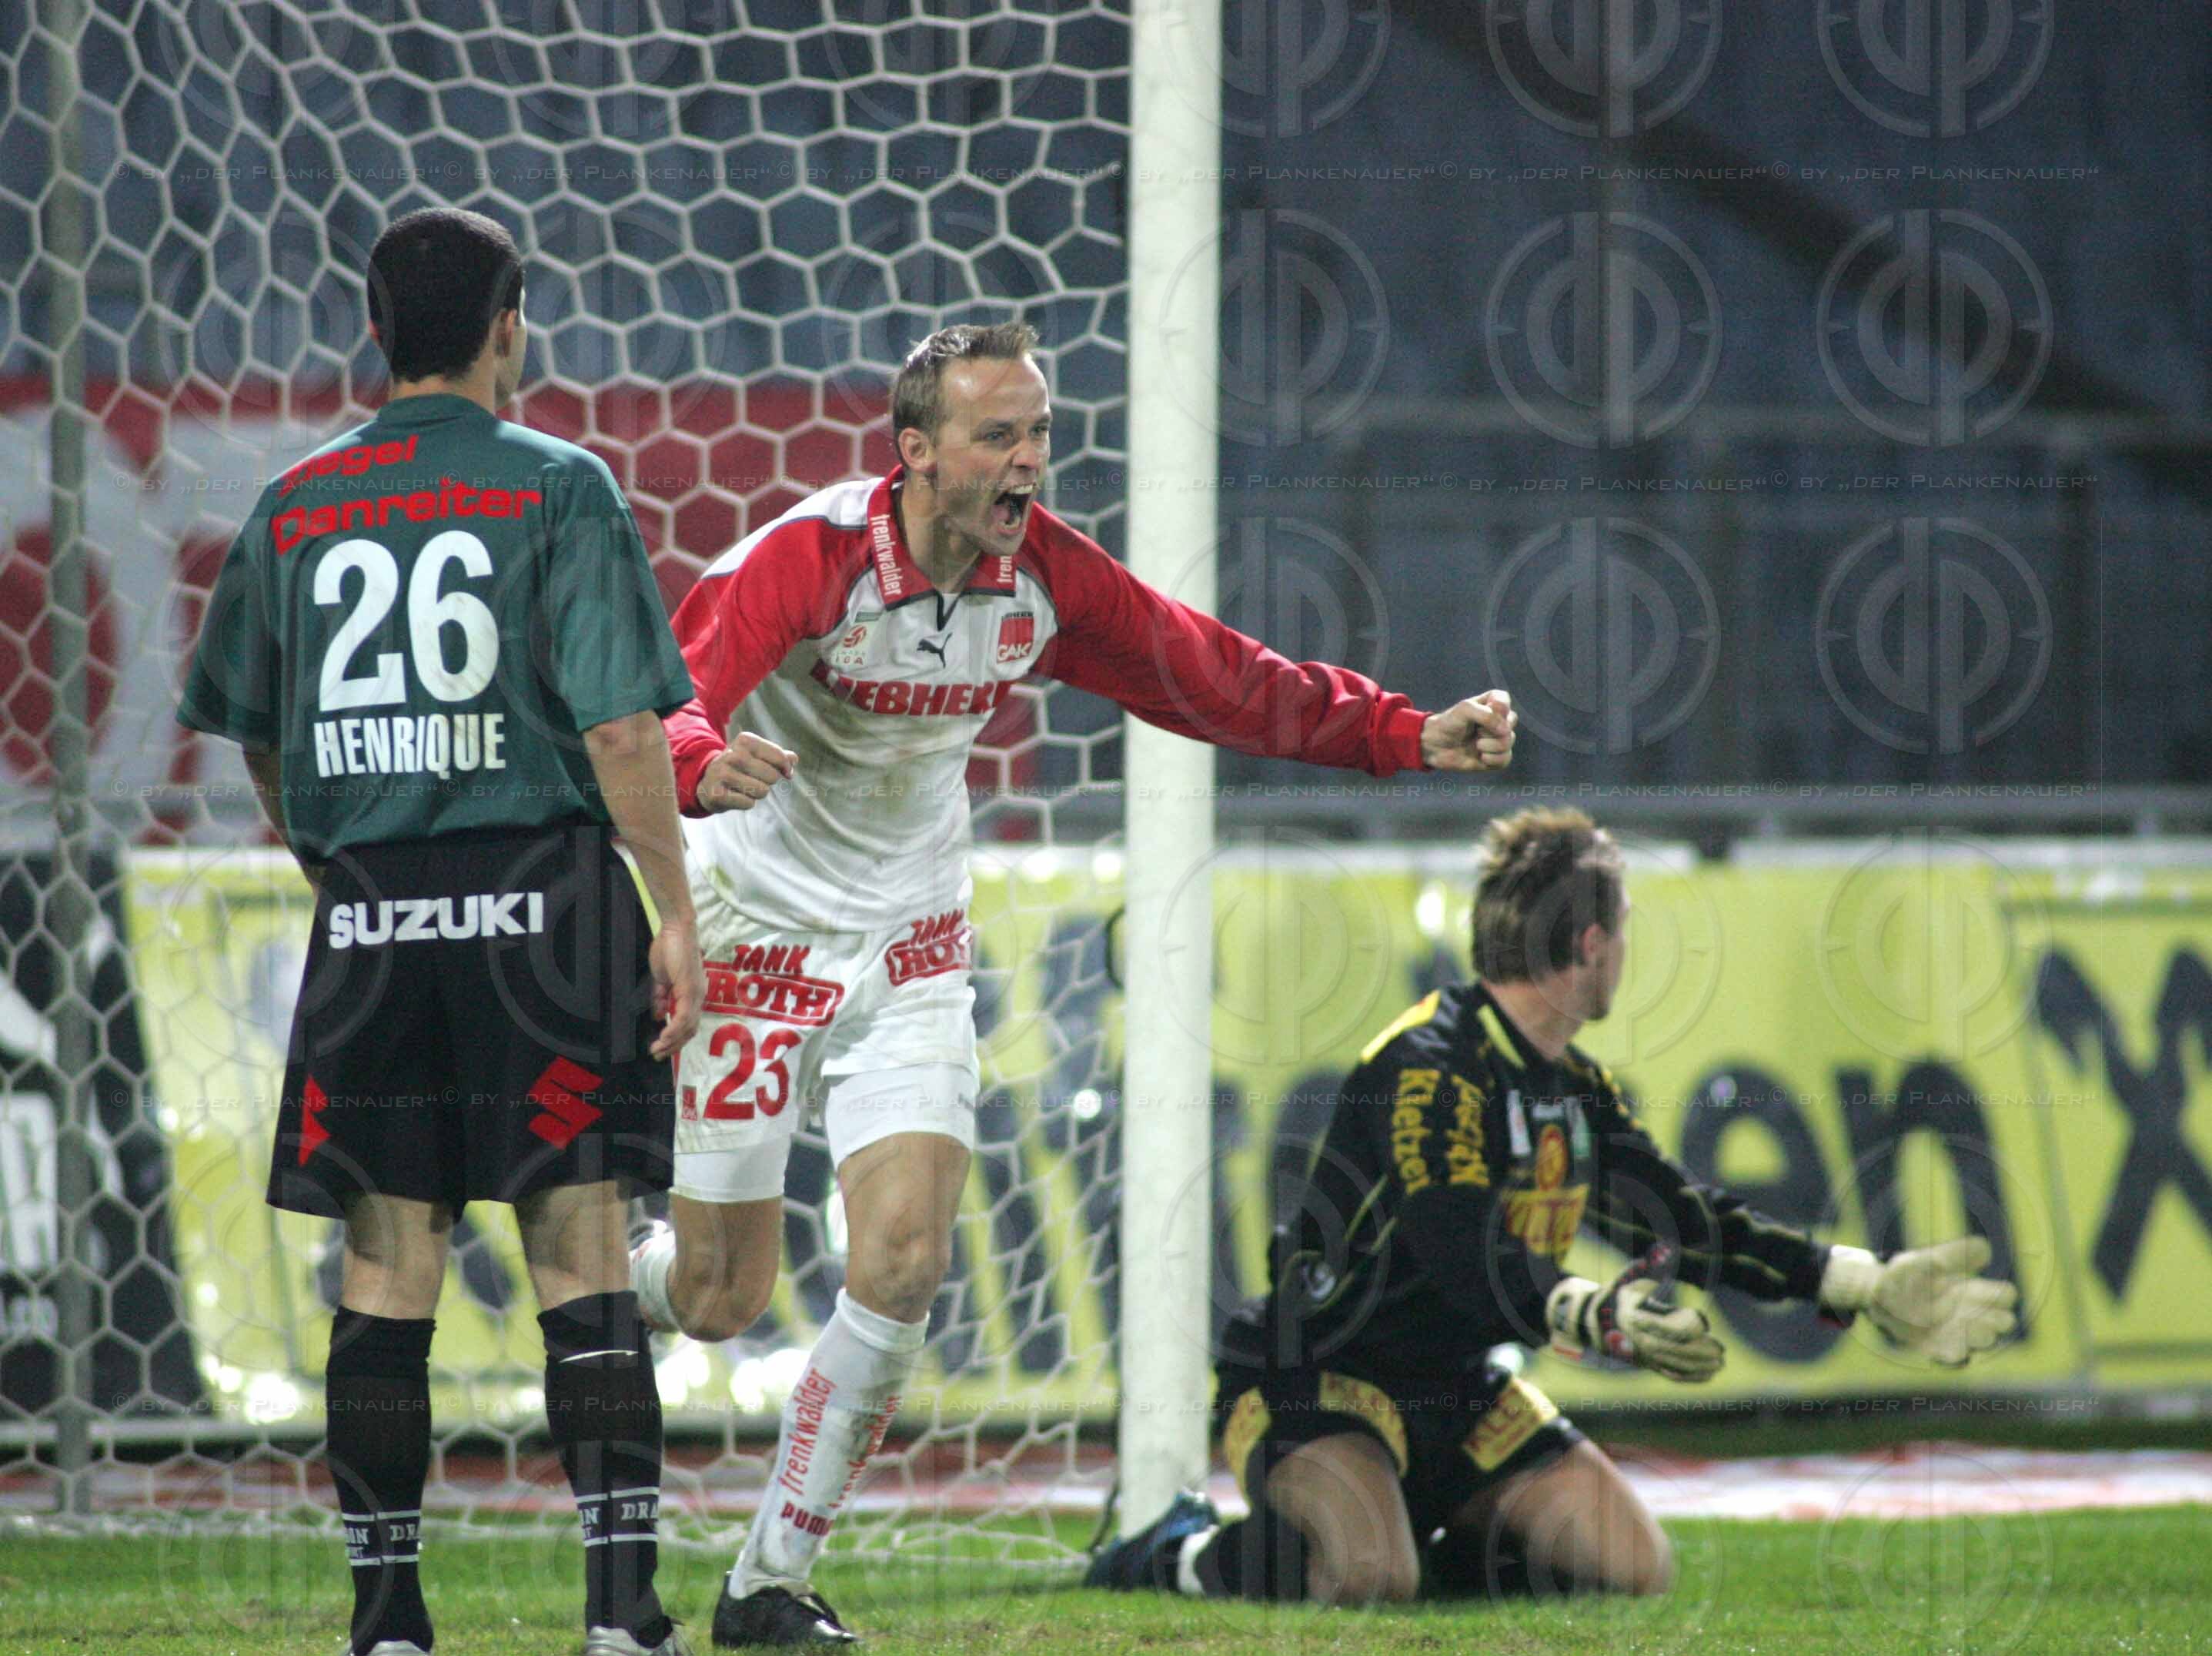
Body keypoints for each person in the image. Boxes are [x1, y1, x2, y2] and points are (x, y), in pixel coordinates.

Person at [623, 319, 1519, 1646]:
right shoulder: (808, 555)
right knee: (718, 1299)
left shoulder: (1043, 579)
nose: (1028, 462)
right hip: (755, 927)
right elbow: (670, 694)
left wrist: (1399, 731)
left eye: (1038, 432)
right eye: (997, 437)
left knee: (909, 1256)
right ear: (916, 453)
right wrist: (703, 762)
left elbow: (1214, 681)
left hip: (910, 935)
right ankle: (599, 1276)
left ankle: (766, 1584)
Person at [177, 206, 705, 1656]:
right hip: (542, 909)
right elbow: (616, 723)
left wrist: (338, 871)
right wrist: (673, 910)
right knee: (581, 1241)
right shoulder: (561, 486)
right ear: (506, 325)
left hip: (375, 915)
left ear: (369, 332)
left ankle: (391, 1620)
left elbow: (261, 740)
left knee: (385, 1257)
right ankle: (616, 1617)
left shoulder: (291, 506)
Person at [1086, 806, 2021, 1606]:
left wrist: (1854, 1279)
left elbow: (1681, 1218)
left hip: (1459, 1388)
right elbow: (1456, 1241)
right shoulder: (1430, 1064)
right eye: (1623, 936)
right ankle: (1181, 1551)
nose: (1624, 955)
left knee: (1631, 1565)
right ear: (1592, 945)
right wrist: (1591, 1308)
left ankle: (1400, 1536)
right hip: (1322, 1373)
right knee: (1368, 1578)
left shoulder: (1572, 1086)